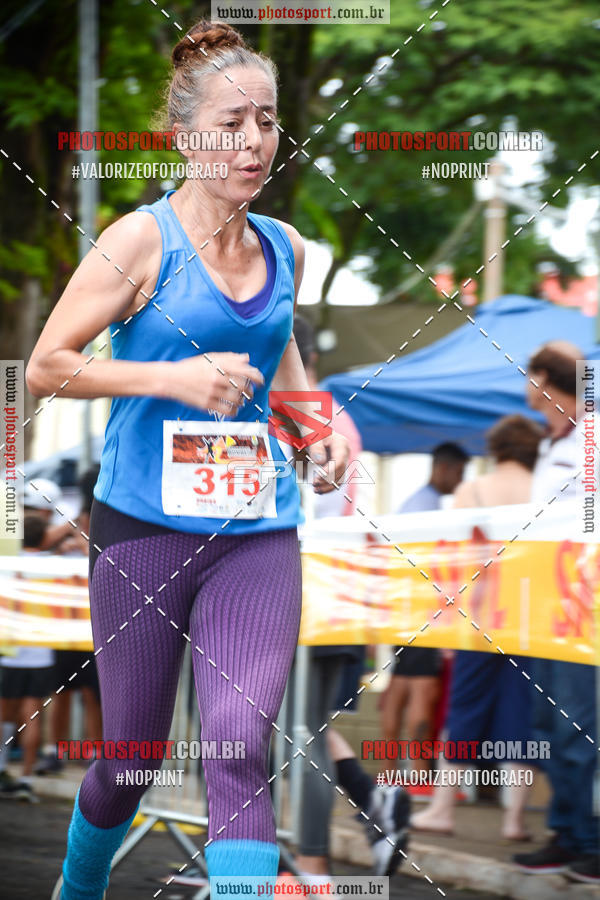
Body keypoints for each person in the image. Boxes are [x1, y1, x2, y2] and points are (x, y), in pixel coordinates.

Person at [26, 21, 348, 900]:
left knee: (241, 743)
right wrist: (173, 378)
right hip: (143, 528)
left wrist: (323, 433)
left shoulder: (286, 247)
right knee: (130, 759)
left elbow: (285, 375)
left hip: (257, 530)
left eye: (268, 122)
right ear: (184, 134)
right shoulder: (141, 241)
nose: (254, 143)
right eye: (232, 123)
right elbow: (48, 364)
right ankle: (77, 890)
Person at [290, 316, 410, 883]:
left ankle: (309, 869)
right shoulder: (339, 416)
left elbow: (309, 513)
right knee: (301, 726)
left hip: (311, 590)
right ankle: (366, 811)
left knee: (293, 729)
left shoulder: (305, 415)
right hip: (340, 592)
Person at [411, 415, 544, 841]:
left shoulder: (475, 490)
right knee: (520, 719)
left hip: (480, 619)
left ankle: (442, 809)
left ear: (497, 448)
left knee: (463, 711)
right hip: (532, 621)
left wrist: (445, 618)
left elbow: (454, 561)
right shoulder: (545, 490)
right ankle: (514, 820)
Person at [513, 342, 600, 883]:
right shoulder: (555, 440)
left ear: (543, 377)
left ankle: (590, 840)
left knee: (577, 725)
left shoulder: (589, 435)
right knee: (548, 722)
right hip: (543, 599)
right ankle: (567, 834)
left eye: (529, 374)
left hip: (580, 602)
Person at [380, 443, 469, 774]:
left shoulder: (415, 502)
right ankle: (417, 772)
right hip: (420, 609)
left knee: (400, 684)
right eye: (459, 474)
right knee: (422, 688)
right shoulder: (428, 506)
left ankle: (389, 771)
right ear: (443, 468)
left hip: (402, 607)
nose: (460, 482)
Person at [36, 466, 103, 776]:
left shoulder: (107, 523)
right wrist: (69, 534)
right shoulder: (74, 521)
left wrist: (84, 544)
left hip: (94, 624)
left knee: (95, 694)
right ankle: (55, 751)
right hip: (64, 624)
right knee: (60, 692)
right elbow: (37, 543)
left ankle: (97, 753)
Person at [0, 514, 56, 802]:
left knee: (5, 715)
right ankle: (25, 777)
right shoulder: (53, 565)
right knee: (32, 716)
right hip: (41, 651)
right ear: (44, 537)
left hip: (11, 650)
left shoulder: (8, 562)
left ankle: (1, 770)